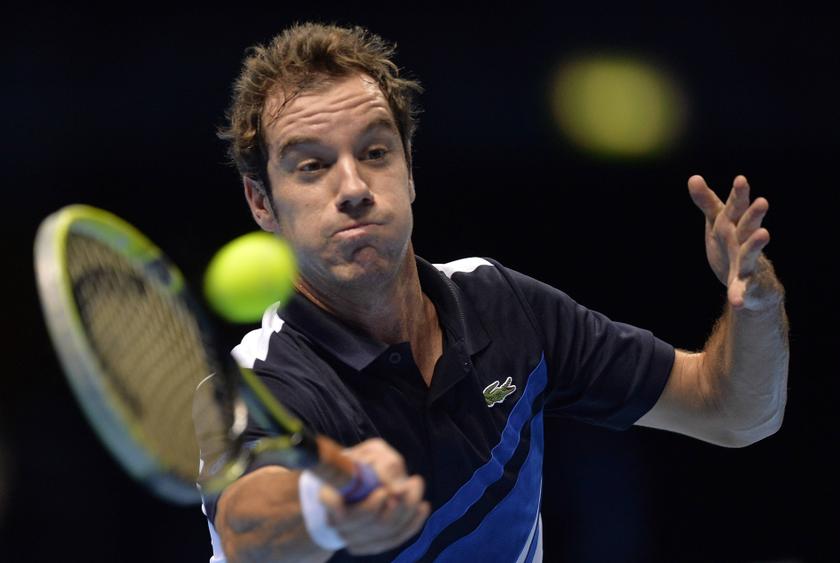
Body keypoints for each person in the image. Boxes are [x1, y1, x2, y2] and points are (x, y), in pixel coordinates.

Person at [200, 22, 789, 562]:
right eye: (311, 165)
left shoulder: (499, 306)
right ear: (261, 201)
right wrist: (327, 509)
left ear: (409, 169)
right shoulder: (254, 385)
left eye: (375, 152)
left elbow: (733, 412)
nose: (353, 187)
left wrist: (758, 307)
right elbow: (246, 530)